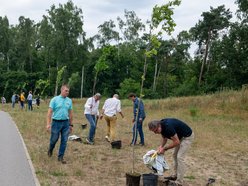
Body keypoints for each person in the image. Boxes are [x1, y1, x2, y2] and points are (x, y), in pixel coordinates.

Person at [148, 118, 194, 186]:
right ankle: (175, 175)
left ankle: (179, 182)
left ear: (158, 125)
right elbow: (164, 138)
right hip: (180, 137)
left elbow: (177, 142)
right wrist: (161, 147)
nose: (155, 133)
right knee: (174, 155)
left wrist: (165, 149)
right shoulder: (161, 126)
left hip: (187, 137)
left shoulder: (168, 127)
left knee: (180, 157)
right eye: (154, 132)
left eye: (156, 131)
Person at [46, 84, 73, 164]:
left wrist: (71, 125)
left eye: (68, 91)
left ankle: (60, 157)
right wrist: (48, 124)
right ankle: (50, 149)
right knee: (54, 139)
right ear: (61, 90)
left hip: (65, 123)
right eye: (66, 91)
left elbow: (70, 113)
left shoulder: (69, 101)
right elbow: (49, 112)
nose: (67, 92)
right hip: (56, 122)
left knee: (64, 140)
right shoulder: (54, 100)